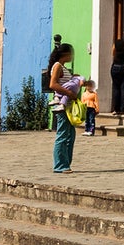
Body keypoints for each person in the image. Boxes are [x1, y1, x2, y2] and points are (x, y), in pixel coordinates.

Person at [46, 38, 80, 173]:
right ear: (64, 54)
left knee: (70, 135)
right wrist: (69, 93)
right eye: (70, 53)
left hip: (69, 105)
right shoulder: (57, 66)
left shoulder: (63, 67)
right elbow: (53, 84)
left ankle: (66, 162)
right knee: (63, 134)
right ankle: (60, 165)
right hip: (62, 105)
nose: (72, 56)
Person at [109, 37, 124, 126]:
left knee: (115, 88)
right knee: (123, 88)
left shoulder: (115, 53)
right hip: (123, 68)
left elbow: (112, 51)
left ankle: (116, 108)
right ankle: (122, 109)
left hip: (115, 67)